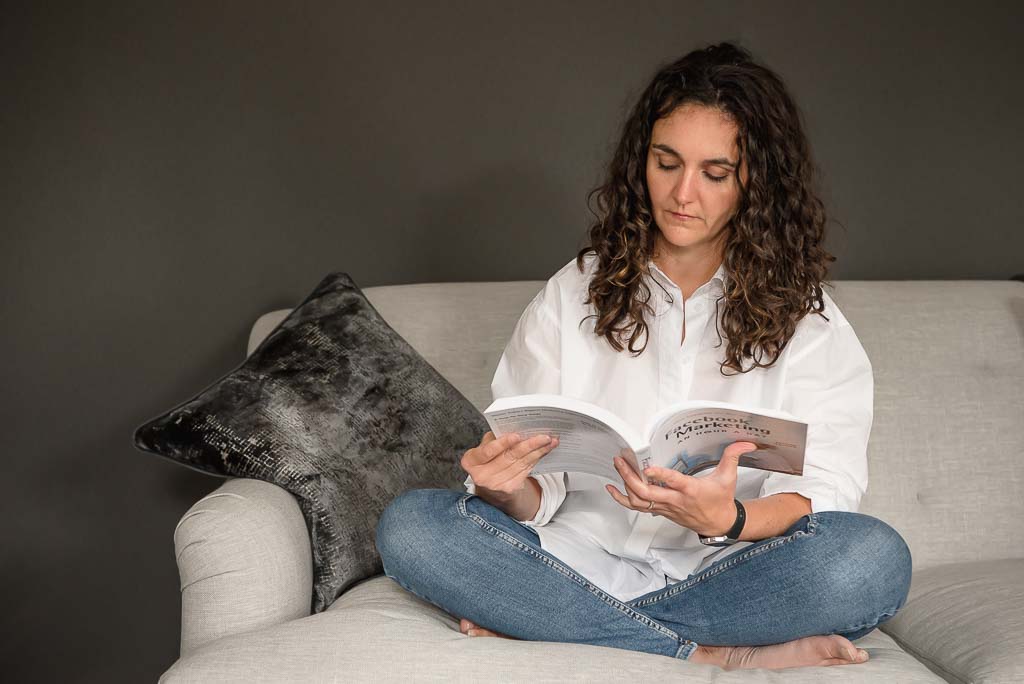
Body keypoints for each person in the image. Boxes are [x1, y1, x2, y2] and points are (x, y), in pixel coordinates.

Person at [375, 42, 912, 671]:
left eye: (715, 174)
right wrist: (506, 489)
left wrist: (732, 517)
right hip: (571, 561)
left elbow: (827, 487)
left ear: (753, 184)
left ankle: (561, 627)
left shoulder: (808, 320)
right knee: (411, 526)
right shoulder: (571, 293)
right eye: (666, 163)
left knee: (872, 559)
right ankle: (711, 654)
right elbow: (538, 495)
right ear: (641, 163)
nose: (684, 194)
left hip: (726, 575)